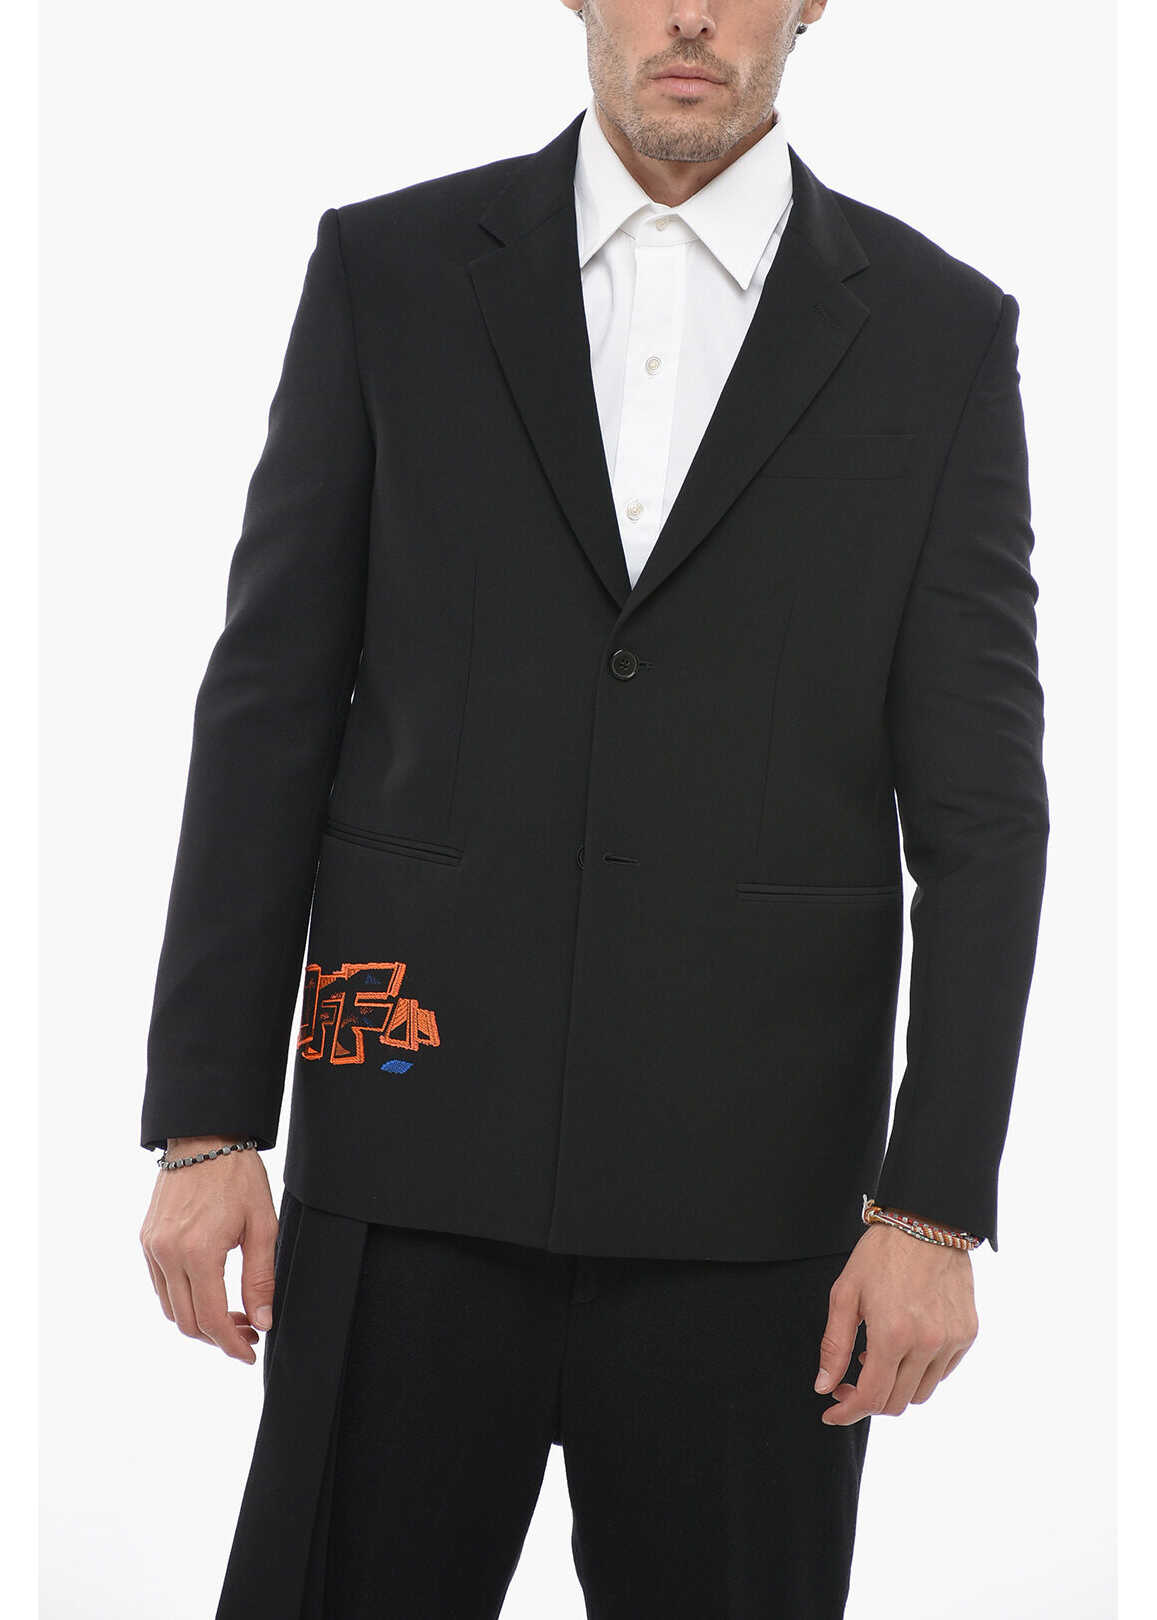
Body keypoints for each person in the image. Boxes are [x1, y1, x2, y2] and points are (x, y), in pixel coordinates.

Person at [137, 3, 1050, 1616]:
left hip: (757, 1220)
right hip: (405, 1162)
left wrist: (932, 1208)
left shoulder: (937, 332)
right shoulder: (390, 273)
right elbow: (268, 707)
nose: (688, 14)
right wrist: (208, 1123)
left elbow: (982, 814)